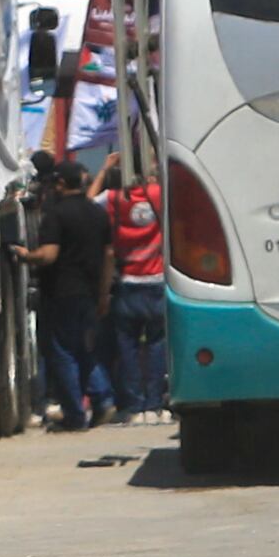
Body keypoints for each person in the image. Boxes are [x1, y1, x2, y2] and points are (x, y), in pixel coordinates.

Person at [19, 149, 115, 429]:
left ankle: (74, 415)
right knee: (85, 349)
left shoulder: (56, 215)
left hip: (61, 293)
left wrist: (25, 255)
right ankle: (102, 400)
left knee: (63, 352)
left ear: (60, 184)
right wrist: (103, 293)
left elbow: (48, 255)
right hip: (89, 292)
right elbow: (109, 255)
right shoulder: (97, 213)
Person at [98, 161, 171, 415]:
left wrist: (103, 172)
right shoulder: (159, 194)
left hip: (127, 283)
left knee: (127, 348)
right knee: (156, 345)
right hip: (158, 282)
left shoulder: (114, 199)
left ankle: (132, 405)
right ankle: (153, 403)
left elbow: (86, 203)